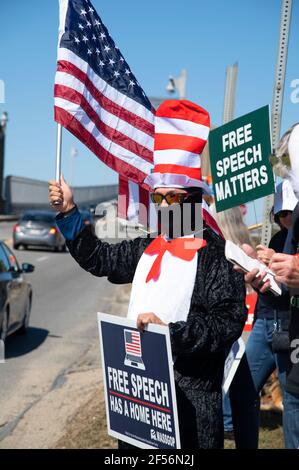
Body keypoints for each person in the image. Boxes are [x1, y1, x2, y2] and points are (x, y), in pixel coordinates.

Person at [49, 100, 247, 449]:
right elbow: (99, 259)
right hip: (139, 408)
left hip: (190, 413)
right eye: (158, 198)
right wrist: (69, 213)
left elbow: (227, 322)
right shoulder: (147, 248)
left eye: (173, 198)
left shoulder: (216, 255)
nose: (164, 206)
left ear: (194, 199)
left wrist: (170, 333)